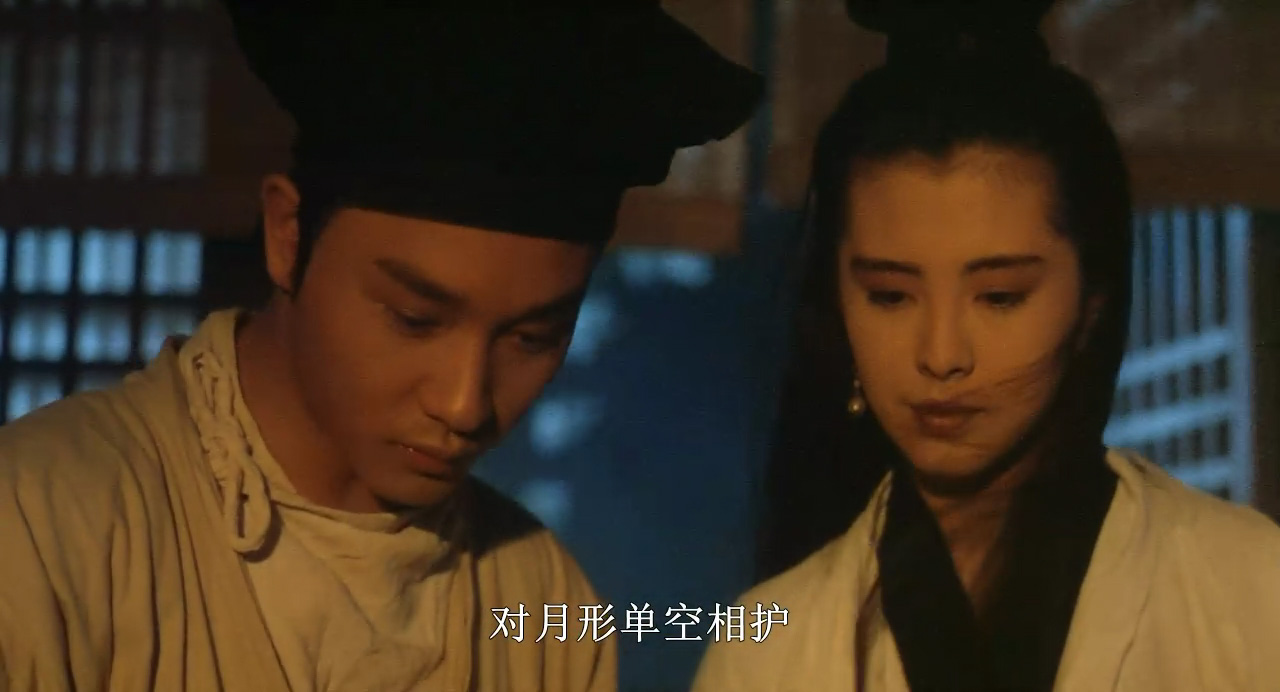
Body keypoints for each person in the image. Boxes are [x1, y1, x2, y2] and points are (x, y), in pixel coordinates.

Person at [0, 3, 761, 691]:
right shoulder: (41, 524)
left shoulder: (538, 600)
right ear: (288, 236)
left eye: (532, 337)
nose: (463, 403)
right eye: (414, 318)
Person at [694, 1, 1280, 689]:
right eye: (890, 296)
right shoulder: (764, 652)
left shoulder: (1254, 590)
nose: (942, 356)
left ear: (1091, 302)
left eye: (1000, 296)